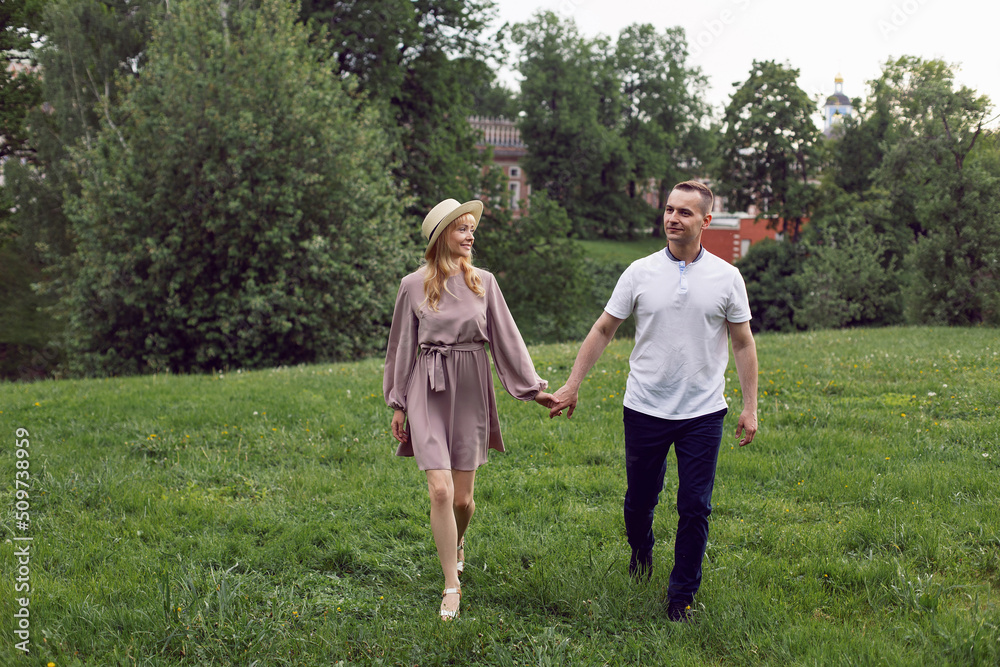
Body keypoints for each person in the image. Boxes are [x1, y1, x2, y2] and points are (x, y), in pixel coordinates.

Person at [548, 180, 759, 622]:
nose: (671, 218)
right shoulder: (640, 272)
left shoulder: (726, 277)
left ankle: (681, 597)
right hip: (644, 406)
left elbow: (742, 342)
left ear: (705, 220)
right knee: (640, 499)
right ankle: (640, 552)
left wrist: (749, 405)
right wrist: (572, 383)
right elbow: (604, 328)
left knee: (695, 505)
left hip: (703, 412)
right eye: (668, 209)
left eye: (684, 212)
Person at [384, 198, 556, 621]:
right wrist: (398, 403)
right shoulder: (412, 285)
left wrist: (534, 390)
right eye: (462, 228)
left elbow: (507, 340)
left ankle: (459, 541)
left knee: (463, 500)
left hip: (470, 386)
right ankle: (451, 584)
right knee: (439, 491)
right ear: (442, 236)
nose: (470, 234)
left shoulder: (484, 282)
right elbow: (401, 348)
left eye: (471, 228)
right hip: (428, 385)